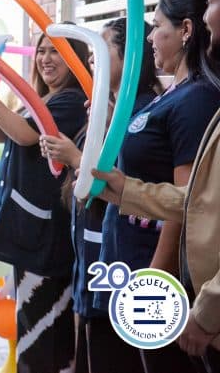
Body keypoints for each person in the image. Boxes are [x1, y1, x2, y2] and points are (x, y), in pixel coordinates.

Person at [91, 0, 220, 373]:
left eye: (158, 25)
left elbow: (194, 205)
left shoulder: (198, 99)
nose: (149, 37)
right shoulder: (178, 94)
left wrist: (159, 279)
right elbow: (193, 199)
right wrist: (123, 189)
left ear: (185, 30)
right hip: (134, 262)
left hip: (166, 277)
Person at [40, 18, 160, 373]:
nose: (93, 57)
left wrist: (76, 157)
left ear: (131, 54)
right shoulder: (105, 108)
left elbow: (127, 185)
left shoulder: (146, 113)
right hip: (97, 261)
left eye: (103, 46)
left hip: (126, 266)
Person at [0, 33, 90, 372]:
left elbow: (25, 134)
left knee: (44, 338)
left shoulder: (71, 101)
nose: (45, 59)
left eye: (56, 53)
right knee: (32, 332)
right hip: (31, 236)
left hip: (46, 239)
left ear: (76, 60)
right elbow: (4, 133)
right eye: (41, 51)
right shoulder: (44, 98)